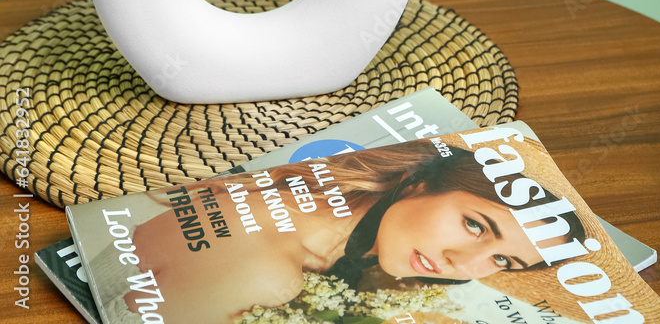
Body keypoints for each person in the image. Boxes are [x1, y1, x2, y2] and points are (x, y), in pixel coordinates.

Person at [91, 138, 584, 324]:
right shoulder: (272, 277)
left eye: (504, 261)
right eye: (476, 225)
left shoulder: (314, 220)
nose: (465, 265)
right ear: (417, 184)